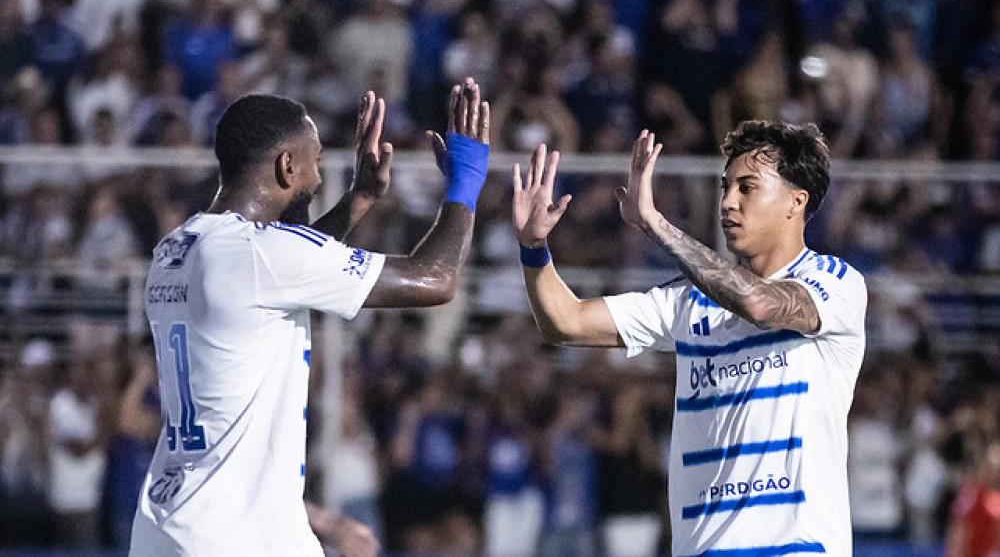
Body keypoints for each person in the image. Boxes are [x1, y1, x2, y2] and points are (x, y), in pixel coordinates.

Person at [130, 78, 491, 557]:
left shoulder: (177, 247)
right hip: (237, 536)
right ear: (286, 166)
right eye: (316, 161)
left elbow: (283, 270)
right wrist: (467, 180)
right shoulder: (262, 256)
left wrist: (359, 199)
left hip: (166, 525)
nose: (320, 178)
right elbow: (435, 278)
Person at [512, 121, 867, 555]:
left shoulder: (833, 283)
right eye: (725, 187)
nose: (728, 201)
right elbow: (565, 322)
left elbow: (760, 305)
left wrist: (656, 224)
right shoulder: (687, 300)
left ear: (796, 201)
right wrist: (534, 249)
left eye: (747, 188)